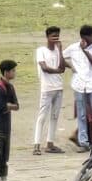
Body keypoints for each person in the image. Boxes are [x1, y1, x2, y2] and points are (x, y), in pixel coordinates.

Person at [67, 25, 92, 150]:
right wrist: (71, 67)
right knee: (82, 116)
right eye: (91, 36)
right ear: (84, 37)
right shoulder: (73, 48)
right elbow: (61, 57)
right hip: (79, 86)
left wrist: (85, 51)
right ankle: (83, 142)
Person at [32, 27, 68, 155]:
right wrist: (57, 70)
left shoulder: (58, 51)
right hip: (47, 88)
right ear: (47, 37)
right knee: (42, 116)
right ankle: (36, 145)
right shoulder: (41, 50)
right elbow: (44, 68)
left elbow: (63, 68)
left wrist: (61, 50)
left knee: (54, 116)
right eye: (53, 36)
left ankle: (50, 143)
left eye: (57, 36)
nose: (56, 39)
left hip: (58, 87)